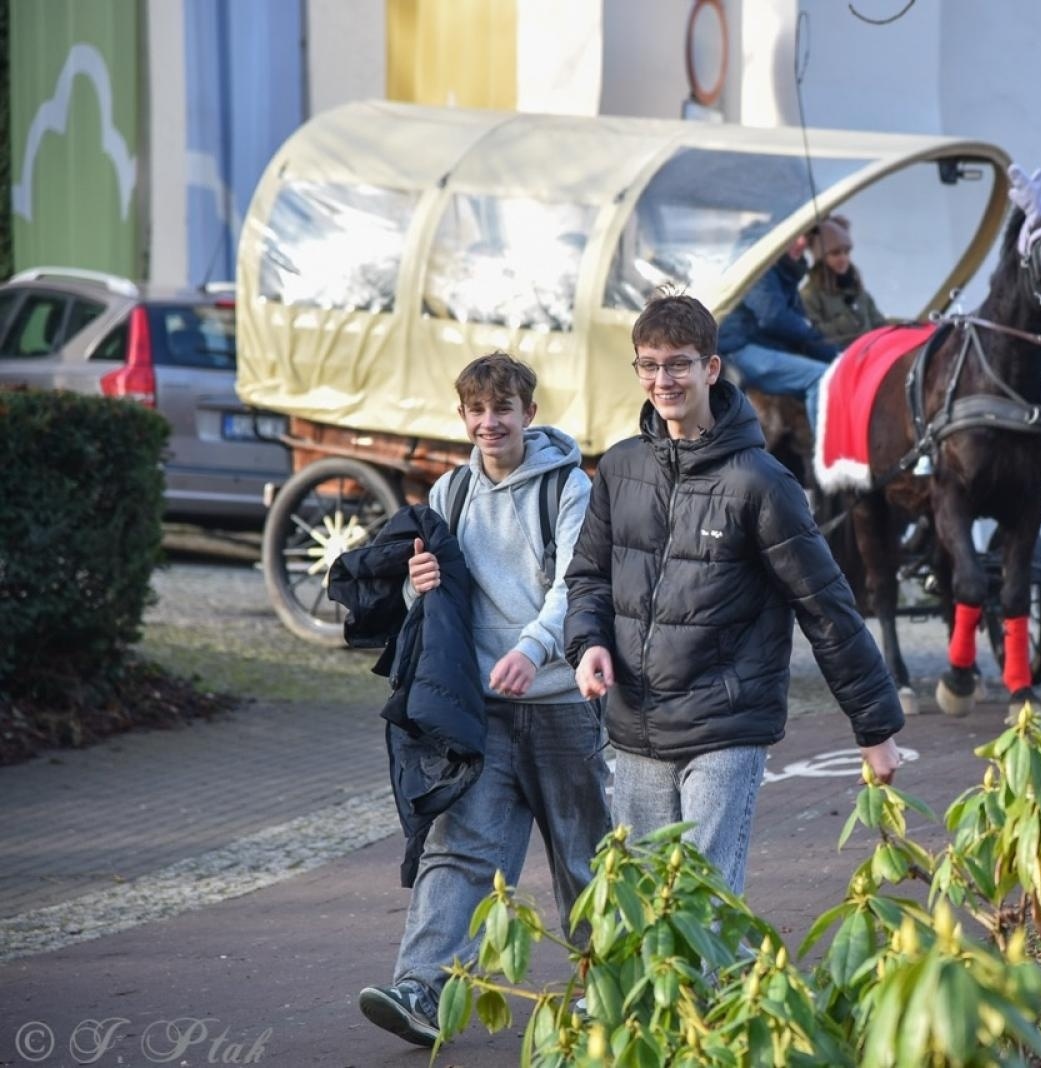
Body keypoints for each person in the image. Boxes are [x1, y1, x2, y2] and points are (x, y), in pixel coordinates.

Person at [563, 292, 903, 896]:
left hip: (726, 726)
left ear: (711, 369)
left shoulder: (761, 482)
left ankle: (729, 988)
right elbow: (588, 576)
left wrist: (874, 729)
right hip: (636, 722)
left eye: (678, 364)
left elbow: (825, 608)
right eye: (649, 364)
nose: (662, 379)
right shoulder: (620, 468)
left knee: (704, 901)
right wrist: (587, 642)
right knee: (645, 904)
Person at [358, 352, 611, 1048]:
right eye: (477, 410)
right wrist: (420, 581)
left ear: (530, 413)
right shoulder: (451, 493)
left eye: (504, 409)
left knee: (587, 858)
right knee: (459, 847)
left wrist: (532, 651)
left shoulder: (568, 486)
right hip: (483, 711)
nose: (489, 422)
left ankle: (610, 989)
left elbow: (576, 585)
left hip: (561, 703)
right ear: (463, 415)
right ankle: (421, 991)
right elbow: (433, 602)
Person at [716, 233, 838, 431]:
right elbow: (773, 317)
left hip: (759, 345)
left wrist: (841, 358)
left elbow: (802, 329)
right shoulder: (758, 266)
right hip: (737, 348)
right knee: (822, 378)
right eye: (793, 236)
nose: (801, 242)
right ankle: (828, 455)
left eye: (805, 235)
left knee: (835, 371)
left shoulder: (785, 274)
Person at [801, 214, 888, 348]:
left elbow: (879, 324)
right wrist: (845, 321)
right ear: (821, 258)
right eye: (835, 253)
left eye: (846, 252)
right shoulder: (809, 296)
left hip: (872, 355)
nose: (843, 259)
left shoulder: (858, 290)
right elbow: (813, 335)